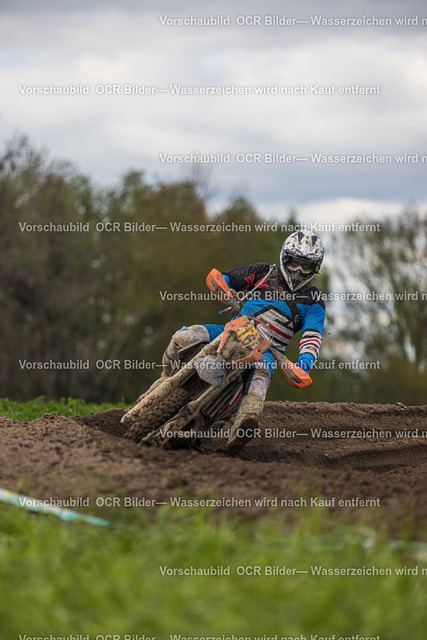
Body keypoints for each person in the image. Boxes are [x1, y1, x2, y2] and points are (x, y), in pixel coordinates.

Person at [154, 230, 326, 454]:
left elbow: (312, 336)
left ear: (314, 269)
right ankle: (166, 378)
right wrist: (223, 288)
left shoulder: (314, 300)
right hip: (234, 329)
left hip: (269, 352)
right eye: (294, 263)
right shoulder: (263, 272)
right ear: (285, 258)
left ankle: (240, 431)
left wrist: (303, 365)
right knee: (183, 337)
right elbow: (226, 278)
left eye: (306, 266)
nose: (298, 271)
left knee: (258, 387)